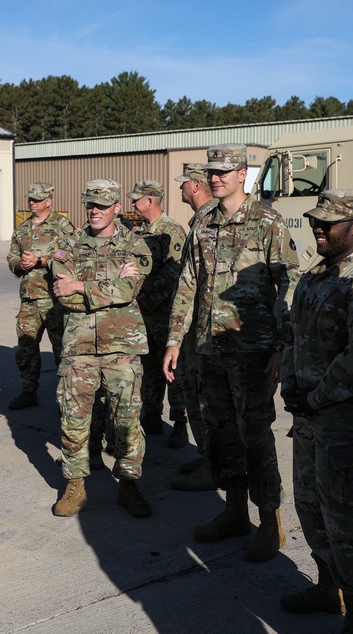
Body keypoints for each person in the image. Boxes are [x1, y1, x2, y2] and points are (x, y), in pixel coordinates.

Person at [163, 144, 301, 562]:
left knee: (255, 436)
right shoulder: (203, 220)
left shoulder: (267, 222)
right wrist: (174, 339)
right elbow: (188, 282)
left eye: (224, 171)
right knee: (220, 433)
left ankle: (270, 520)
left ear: (244, 174)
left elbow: (288, 285)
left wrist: (282, 346)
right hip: (208, 349)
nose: (215, 177)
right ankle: (235, 512)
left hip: (252, 352)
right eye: (211, 171)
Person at [279, 189, 353, 632]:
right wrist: (292, 388)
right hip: (309, 418)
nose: (318, 227)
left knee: (345, 518)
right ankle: (327, 588)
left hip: (346, 423)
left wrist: (313, 398)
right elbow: (293, 338)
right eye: (316, 220)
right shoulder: (314, 278)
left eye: (328, 222)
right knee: (310, 507)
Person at [50, 179, 153, 519]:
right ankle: (75, 484)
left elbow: (130, 289)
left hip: (122, 347)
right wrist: (110, 287)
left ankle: (128, 483)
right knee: (74, 418)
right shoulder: (68, 245)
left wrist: (81, 285)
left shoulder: (134, 244)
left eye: (102, 205)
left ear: (116, 208)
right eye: (90, 205)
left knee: (127, 419)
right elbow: (63, 296)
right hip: (79, 347)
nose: (95, 211)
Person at [127, 179, 187, 445]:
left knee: (172, 368)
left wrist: (147, 301)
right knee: (148, 365)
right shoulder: (139, 231)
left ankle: (180, 422)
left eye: (136, 200)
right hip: (142, 313)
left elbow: (173, 272)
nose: (132, 204)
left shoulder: (171, 231)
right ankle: (151, 415)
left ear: (150, 201)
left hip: (164, 312)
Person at [170, 164, 218, 492]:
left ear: (196, 185)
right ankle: (207, 457)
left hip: (206, 333)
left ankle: (213, 464)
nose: (180, 189)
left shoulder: (209, 222)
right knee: (192, 393)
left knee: (203, 398)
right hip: (194, 331)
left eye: (183, 184)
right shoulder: (199, 221)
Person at [6, 182, 75, 410]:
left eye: (37, 199)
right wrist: (20, 264)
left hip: (55, 299)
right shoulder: (22, 228)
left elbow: (70, 253)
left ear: (49, 201)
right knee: (26, 349)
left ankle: (65, 398)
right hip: (29, 299)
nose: (32, 203)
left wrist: (41, 261)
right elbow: (12, 258)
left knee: (62, 350)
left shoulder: (62, 225)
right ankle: (28, 391)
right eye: (30, 199)